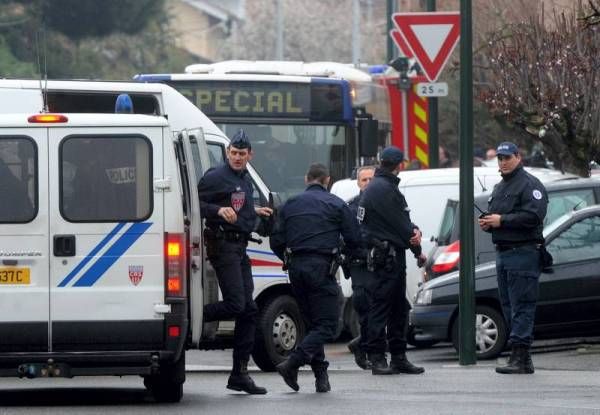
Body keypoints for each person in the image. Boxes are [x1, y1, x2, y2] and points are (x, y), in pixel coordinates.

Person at [270, 163, 360, 393]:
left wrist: (288, 258)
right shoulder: (336, 204)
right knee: (328, 325)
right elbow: (355, 240)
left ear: (306, 179)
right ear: (327, 180)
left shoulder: (289, 205)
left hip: (296, 269)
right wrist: (346, 257)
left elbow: (276, 240)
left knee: (312, 324)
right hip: (321, 269)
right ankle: (292, 363)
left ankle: (322, 378)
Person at [197, 129, 273, 394]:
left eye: (242, 154)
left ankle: (239, 374)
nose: (237, 157)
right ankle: (195, 316)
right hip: (222, 245)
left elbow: (240, 206)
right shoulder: (215, 177)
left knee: (249, 310)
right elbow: (192, 202)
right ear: (227, 153)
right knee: (236, 304)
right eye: (233, 153)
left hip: (240, 248)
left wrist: (255, 211)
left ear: (249, 155)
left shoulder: (245, 178)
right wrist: (217, 210)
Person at [478, 141, 548, 375]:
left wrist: (502, 221)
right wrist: (489, 223)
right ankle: (519, 357)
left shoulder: (529, 185)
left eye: (507, 157)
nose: (503, 162)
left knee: (522, 307)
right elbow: (499, 216)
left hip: (523, 253)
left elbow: (534, 215)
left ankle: (521, 357)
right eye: (499, 158)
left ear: (518, 157)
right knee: (509, 307)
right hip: (504, 252)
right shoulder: (500, 187)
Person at [358, 146, 426, 376]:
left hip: (384, 257)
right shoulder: (387, 190)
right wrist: (418, 249)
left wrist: (411, 232)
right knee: (384, 309)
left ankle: (397, 357)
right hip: (388, 259)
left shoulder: (373, 189)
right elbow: (402, 225)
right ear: (399, 165)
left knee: (397, 308)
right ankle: (379, 358)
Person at [346, 166, 376, 370]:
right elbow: (347, 236)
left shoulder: (381, 203)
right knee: (365, 308)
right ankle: (367, 349)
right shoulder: (350, 207)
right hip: (360, 264)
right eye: (364, 180)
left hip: (379, 263)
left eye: (371, 179)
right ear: (358, 183)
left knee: (378, 310)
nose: (367, 183)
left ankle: (362, 344)